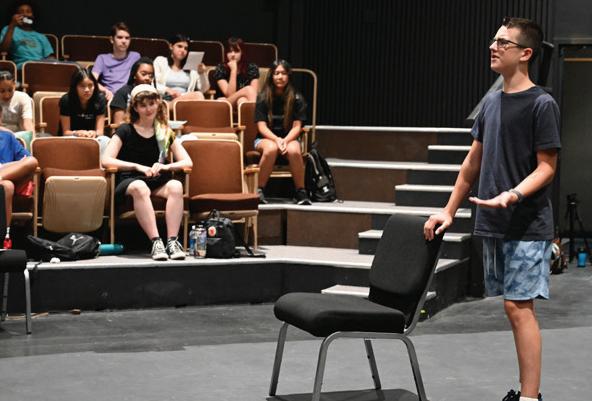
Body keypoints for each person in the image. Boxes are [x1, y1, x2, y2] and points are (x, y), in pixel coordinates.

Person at [423, 17, 560, 401]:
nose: (493, 47)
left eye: (503, 42)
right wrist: (449, 211)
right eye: (494, 40)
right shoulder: (492, 102)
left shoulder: (541, 104)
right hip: (493, 221)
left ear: (525, 53)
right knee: (512, 306)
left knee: (519, 307)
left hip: (527, 223)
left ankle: (530, 397)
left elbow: (547, 167)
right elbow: (472, 163)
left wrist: (512, 195)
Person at [101, 84, 192, 261]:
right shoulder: (125, 130)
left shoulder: (164, 131)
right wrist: (137, 166)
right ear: (135, 108)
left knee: (175, 186)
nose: (148, 109)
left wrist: (165, 167)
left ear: (158, 103)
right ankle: (156, 242)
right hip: (130, 180)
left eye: (152, 103)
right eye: (143, 105)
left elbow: (187, 162)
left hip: (156, 180)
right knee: (140, 187)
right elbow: (106, 160)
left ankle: (172, 242)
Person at [254, 59, 311, 206]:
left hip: (288, 138)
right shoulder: (262, 97)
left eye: (284, 73)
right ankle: (258, 190)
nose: (280, 77)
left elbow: (297, 126)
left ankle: (301, 191)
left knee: (294, 150)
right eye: (277, 73)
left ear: (289, 76)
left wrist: (284, 140)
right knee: (271, 149)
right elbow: (261, 127)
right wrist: (277, 140)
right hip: (265, 138)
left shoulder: (297, 98)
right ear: (271, 76)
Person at [0, 105, 38, 228]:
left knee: (32, 161)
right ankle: (5, 235)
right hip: (5, 181)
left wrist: (8, 166)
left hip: (6, 173)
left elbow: (25, 159)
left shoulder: (7, 136)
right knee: (7, 186)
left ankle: (4, 236)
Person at [59, 68, 110, 152]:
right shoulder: (66, 100)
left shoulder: (100, 99)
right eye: (82, 86)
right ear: (75, 87)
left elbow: (100, 131)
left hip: (92, 138)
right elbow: (65, 132)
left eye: (90, 85)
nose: (87, 90)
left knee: (105, 140)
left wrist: (94, 133)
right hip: (72, 137)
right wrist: (77, 133)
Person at [154, 34, 210, 104]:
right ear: (171, 46)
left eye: (185, 48)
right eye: (179, 46)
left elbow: (203, 89)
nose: (183, 50)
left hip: (185, 102)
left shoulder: (191, 68)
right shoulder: (160, 61)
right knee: (198, 95)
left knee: (199, 95)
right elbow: (153, 83)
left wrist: (202, 73)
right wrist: (167, 90)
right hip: (165, 101)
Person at [92, 22, 141, 102]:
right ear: (112, 39)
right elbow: (92, 80)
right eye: (120, 37)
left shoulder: (135, 56)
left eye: (127, 38)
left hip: (130, 97)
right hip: (110, 97)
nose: (124, 41)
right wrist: (105, 90)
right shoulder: (102, 58)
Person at [0, 1, 54, 69]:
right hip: (23, 66)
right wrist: (12, 25)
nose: (25, 14)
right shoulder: (9, 29)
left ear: (33, 16)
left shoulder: (41, 36)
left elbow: (49, 57)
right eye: (21, 12)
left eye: (28, 12)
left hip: (41, 66)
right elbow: (3, 49)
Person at [212, 37, 258, 107]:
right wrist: (233, 70)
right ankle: (256, 114)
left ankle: (249, 114)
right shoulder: (221, 68)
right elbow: (230, 95)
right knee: (248, 90)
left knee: (242, 100)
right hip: (226, 104)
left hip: (244, 102)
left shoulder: (251, 68)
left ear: (242, 52)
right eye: (229, 51)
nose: (233, 54)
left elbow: (254, 94)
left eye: (236, 51)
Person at [110, 57, 155, 126]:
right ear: (134, 75)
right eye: (143, 74)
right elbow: (118, 123)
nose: (147, 78)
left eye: (151, 75)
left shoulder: (154, 94)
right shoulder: (123, 93)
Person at [0, 70, 34, 147]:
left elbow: (27, 123)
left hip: (19, 138)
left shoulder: (23, 97)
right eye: (2, 91)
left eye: (10, 90)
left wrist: (31, 140)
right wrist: (8, 133)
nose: (7, 95)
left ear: (15, 85)